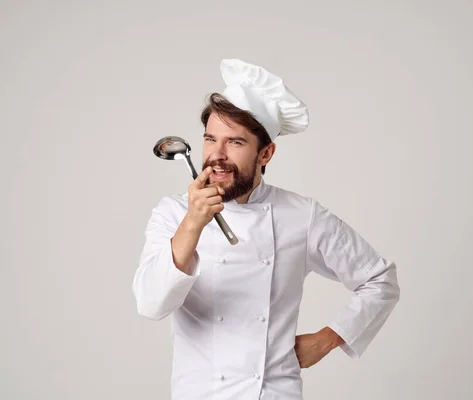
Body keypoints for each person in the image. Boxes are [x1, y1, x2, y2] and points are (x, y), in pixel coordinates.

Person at [132, 58, 400, 400]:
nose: (216, 155)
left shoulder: (302, 215)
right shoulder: (173, 212)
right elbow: (151, 305)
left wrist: (331, 337)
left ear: (266, 153)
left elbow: (380, 279)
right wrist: (192, 224)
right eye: (210, 139)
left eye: (235, 142)